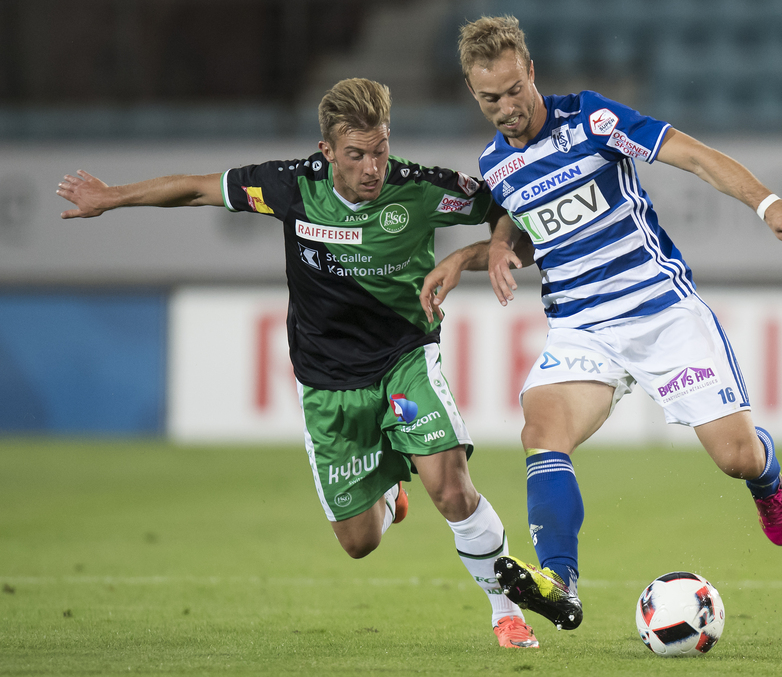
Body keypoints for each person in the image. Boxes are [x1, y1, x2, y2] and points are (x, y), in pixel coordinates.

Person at [57, 78, 540, 649]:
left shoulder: (424, 189)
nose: (371, 167)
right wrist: (111, 197)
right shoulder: (289, 186)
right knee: (359, 542)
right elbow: (195, 190)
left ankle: (506, 612)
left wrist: (473, 254)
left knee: (453, 489)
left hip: (404, 358)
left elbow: (511, 218)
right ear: (327, 152)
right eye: (356, 155)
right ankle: (387, 494)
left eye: (380, 150)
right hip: (327, 380)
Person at [420, 16, 782, 632]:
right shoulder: (496, 165)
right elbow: (530, 234)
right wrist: (483, 251)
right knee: (542, 432)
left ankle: (766, 477)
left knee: (734, 457)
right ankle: (561, 581)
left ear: (530, 73)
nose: (504, 108)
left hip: (660, 312)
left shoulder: (592, 121)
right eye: (488, 98)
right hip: (582, 327)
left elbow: (692, 155)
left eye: (511, 91)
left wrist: (766, 203)